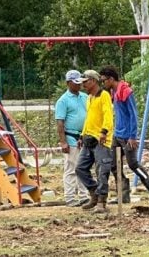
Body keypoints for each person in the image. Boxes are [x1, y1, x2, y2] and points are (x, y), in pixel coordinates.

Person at [99, 65, 149, 205]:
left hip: (128, 135)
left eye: (104, 80)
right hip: (118, 134)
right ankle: (123, 194)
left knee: (133, 164)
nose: (102, 83)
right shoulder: (113, 92)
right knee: (114, 165)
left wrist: (133, 136)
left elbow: (133, 115)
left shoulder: (125, 92)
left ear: (111, 79)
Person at [75, 69, 114, 214]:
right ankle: (94, 194)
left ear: (93, 81)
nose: (83, 85)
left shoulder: (104, 95)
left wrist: (104, 132)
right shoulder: (89, 98)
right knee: (80, 168)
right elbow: (89, 119)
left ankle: (102, 202)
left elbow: (108, 116)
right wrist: (82, 135)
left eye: (85, 82)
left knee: (102, 171)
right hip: (88, 139)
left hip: (101, 140)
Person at [55, 69, 90, 207]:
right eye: (76, 83)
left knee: (82, 167)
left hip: (84, 136)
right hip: (71, 137)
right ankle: (70, 197)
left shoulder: (84, 97)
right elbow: (60, 122)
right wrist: (63, 142)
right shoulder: (63, 101)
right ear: (68, 83)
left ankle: (83, 195)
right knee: (71, 168)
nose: (79, 85)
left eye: (80, 83)